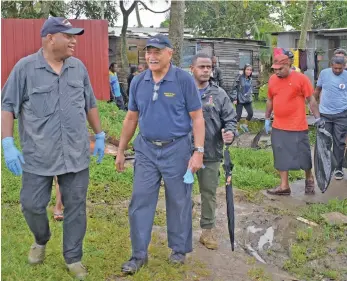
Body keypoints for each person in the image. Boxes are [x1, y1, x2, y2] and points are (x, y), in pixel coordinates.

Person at [1, 17, 105, 280]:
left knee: (76, 207)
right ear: (50, 38)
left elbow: (90, 103)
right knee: (31, 205)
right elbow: (7, 106)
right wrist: (8, 142)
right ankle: (41, 238)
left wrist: (100, 134)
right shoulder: (25, 68)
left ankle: (73, 258)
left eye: (75, 36)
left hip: (75, 154)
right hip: (38, 155)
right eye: (68, 36)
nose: (74, 41)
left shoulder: (78, 68)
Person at [115, 34, 205, 274]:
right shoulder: (138, 81)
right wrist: (121, 150)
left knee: (179, 200)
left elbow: (197, 118)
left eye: (157, 52)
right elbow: (131, 117)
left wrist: (198, 152)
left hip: (177, 148)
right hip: (145, 149)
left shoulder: (183, 80)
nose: (151, 56)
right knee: (140, 200)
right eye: (148, 52)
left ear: (169, 53)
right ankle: (138, 255)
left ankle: (178, 249)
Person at [190, 53, 237, 249]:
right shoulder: (184, 91)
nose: (206, 70)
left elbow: (230, 119)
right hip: (183, 152)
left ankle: (207, 231)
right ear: (192, 68)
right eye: (202, 67)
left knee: (208, 193)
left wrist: (230, 133)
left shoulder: (219, 95)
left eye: (209, 67)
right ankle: (182, 227)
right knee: (180, 192)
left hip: (210, 153)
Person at [265, 54, 323, 196]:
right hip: (278, 125)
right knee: (280, 156)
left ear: (288, 65)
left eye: (280, 69)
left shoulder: (301, 79)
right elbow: (270, 100)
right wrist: (267, 118)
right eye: (275, 69)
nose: (277, 72)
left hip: (297, 126)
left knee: (303, 155)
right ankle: (284, 186)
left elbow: (311, 100)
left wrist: (317, 118)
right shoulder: (273, 80)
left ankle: (309, 179)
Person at [313, 56, 347, 180]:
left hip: (342, 114)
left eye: (340, 68)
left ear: (344, 66)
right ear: (331, 65)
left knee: (339, 142)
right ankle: (325, 167)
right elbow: (317, 90)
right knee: (325, 141)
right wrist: (313, 104)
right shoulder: (324, 73)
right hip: (325, 114)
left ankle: (338, 168)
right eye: (335, 68)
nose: (337, 70)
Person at [230, 64, 254, 132]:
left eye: (250, 70)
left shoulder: (250, 79)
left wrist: (250, 94)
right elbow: (234, 88)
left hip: (247, 100)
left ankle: (244, 125)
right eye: (247, 69)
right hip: (239, 99)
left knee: (250, 113)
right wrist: (234, 98)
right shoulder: (239, 77)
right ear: (244, 70)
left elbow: (249, 88)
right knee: (238, 115)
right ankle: (236, 129)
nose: (249, 71)